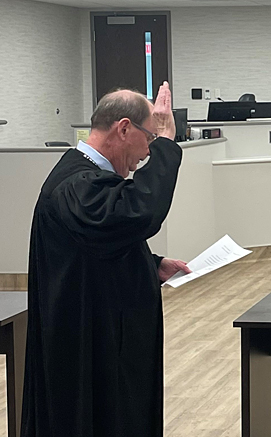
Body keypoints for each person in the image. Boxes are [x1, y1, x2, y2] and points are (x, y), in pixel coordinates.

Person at [22, 82, 191, 437]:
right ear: (124, 128)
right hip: (87, 355)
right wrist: (168, 145)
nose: (147, 153)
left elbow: (102, 246)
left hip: (103, 340)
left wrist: (151, 264)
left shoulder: (87, 180)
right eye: (148, 140)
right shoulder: (77, 184)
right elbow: (139, 213)